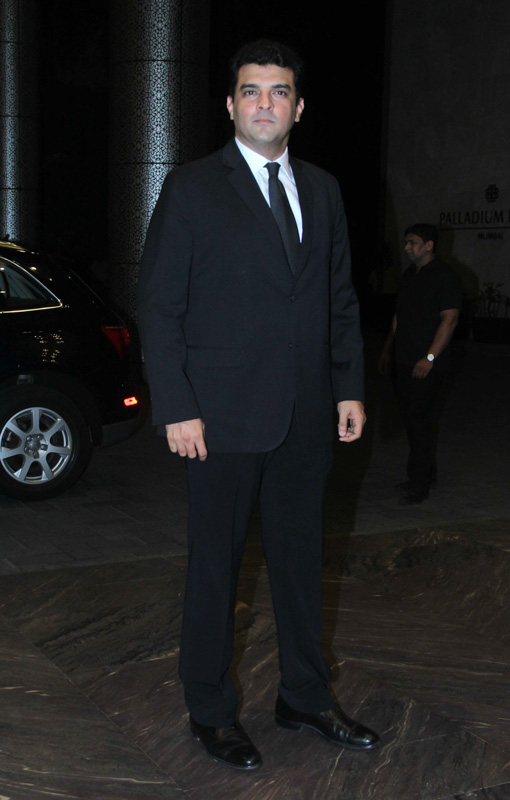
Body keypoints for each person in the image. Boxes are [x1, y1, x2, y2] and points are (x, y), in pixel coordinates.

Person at [137, 39, 379, 770]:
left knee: (302, 563)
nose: (264, 103)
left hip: (306, 413)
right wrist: (176, 405)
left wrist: (348, 385)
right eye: (251, 91)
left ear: (299, 108)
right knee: (216, 567)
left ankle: (304, 695)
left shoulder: (324, 190)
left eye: (278, 92)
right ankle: (209, 710)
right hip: (219, 418)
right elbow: (159, 304)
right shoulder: (192, 188)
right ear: (231, 104)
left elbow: (338, 297)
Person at [378, 224, 462, 505]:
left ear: (429, 245)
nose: (407, 247)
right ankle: (426, 473)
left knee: (421, 421)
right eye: (406, 242)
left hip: (429, 365)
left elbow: (450, 319)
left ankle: (419, 484)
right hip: (404, 360)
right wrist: (388, 349)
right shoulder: (409, 275)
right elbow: (398, 316)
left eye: (413, 242)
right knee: (412, 420)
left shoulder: (445, 276)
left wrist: (429, 357)